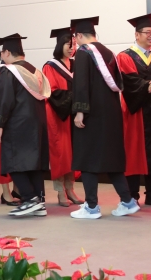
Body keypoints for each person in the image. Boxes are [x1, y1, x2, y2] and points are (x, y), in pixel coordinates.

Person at [70, 16, 140, 220]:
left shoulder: (84, 52)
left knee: (87, 158)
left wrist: (80, 110)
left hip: (92, 114)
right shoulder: (109, 53)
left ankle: (91, 207)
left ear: (79, 36)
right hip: (111, 114)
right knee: (111, 160)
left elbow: (81, 84)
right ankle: (127, 201)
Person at [0, 34, 51, 216]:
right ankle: (39, 202)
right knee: (34, 163)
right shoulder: (36, 72)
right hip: (37, 124)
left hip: (17, 124)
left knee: (12, 162)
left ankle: (30, 199)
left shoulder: (9, 71)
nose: (2, 56)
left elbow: (4, 100)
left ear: (7, 52)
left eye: (2, 53)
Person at [116, 13, 151, 208]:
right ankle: (132, 194)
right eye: (147, 32)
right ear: (137, 34)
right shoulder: (125, 56)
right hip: (135, 111)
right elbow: (130, 83)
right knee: (133, 150)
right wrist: (149, 85)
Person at [42, 27, 83, 206]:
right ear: (60, 45)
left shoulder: (76, 65)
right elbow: (52, 92)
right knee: (60, 153)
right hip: (58, 115)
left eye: (73, 44)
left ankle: (70, 189)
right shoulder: (50, 66)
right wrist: (75, 96)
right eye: (68, 44)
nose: (71, 48)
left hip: (73, 115)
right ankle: (60, 192)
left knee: (72, 153)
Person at [0, 57, 21, 207]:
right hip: (2, 123)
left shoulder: (18, 70)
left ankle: (17, 190)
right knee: (3, 157)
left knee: (17, 158)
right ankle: (6, 193)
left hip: (17, 123)